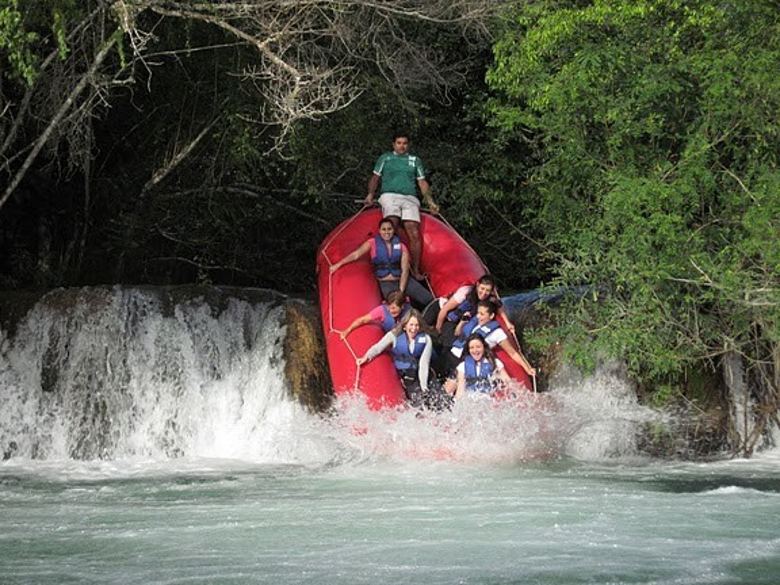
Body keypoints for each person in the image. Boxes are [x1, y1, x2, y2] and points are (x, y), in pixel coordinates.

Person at [364, 132, 439, 280]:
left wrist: (430, 201)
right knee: (392, 223)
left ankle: (415, 270)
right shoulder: (385, 158)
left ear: (408, 145)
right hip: (389, 195)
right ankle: (391, 263)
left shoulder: (414, 160)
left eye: (404, 143)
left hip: (409, 197)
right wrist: (370, 195)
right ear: (394, 144)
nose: (402, 146)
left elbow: (422, 182)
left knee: (413, 230)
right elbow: (375, 177)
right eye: (399, 143)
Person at [329, 218, 433, 307]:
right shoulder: (372, 243)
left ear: (393, 230)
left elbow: (405, 270)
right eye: (384, 229)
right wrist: (338, 264)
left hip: (403, 281)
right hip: (386, 283)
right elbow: (356, 255)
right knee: (395, 304)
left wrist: (401, 291)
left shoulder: (401, 246)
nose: (387, 232)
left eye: (389, 229)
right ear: (379, 230)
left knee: (428, 299)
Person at [443, 300, 535, 393]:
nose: (478, 316)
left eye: (482, 314)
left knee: (452, 389)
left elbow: (513, 353)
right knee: (447, 390)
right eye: (478, 313)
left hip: (469, 362)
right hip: (456, 357)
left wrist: (527, 368)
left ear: (491, 316)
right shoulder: (477, 324)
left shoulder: (497, 333)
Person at [356, 309, 438, 408]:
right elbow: (378, 347)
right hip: (404, 374)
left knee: (433, 395)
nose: (414, 328)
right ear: (405, 326)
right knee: (418, 399)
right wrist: (366, 357)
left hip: (418, 371)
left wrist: (424, 387)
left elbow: (424, 364)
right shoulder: (394, 336)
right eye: (411, 325)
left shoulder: (426, 339)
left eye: (417, 325)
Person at [431, 274, 515, 350]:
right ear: (477, 285)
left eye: (487, 290)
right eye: (482, 288)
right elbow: (444, 310)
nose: (484, 293)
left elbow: (499, 307)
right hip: (440, 310)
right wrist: (438, 330)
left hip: (454, 323)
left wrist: (507, 323)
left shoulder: (490, 299)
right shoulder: (466, 292)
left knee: (448, 343)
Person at [337, 290, 410, 340]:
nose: (391, 311)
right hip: (393, 336)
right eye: (389, 307)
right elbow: (362, 320)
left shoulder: (408, 311)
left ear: (402, 306)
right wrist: (347, 330)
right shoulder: (381, 310)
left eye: (394, 308)